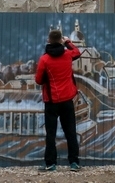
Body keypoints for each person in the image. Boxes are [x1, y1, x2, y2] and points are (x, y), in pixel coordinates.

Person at [34, 28, 82, 171]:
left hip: (51, 101)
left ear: (48, 40)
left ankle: (51, 164)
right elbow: (77, 52)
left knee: (51, 134)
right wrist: (67, 42)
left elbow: (38, 80)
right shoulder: (67, 55)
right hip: (67, 100)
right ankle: (74, 163)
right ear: (60, 40)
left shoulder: (44, 59)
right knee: (71, 132)